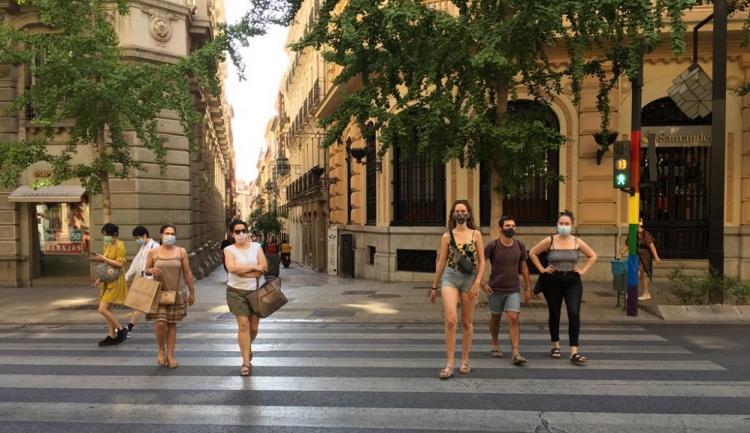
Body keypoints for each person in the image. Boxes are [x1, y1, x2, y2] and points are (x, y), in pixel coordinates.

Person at [529, 211, 597, 365]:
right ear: (557, 225)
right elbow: (532, 253)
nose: (564, 226)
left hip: (572, 281)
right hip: (552, 281)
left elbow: (593, 256)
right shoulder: (550, 240)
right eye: (561, 223)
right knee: (555, 313)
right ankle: (555, 345)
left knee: (574, 313)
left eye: (567, 224)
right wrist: (542, 269)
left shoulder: (577, 241)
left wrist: (583, 270)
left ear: (572, 225)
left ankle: (574, 351)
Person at [430, 199, 485, 379]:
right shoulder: (447, 237)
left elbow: (483, 261)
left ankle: (464, 361)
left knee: (467, 322)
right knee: (451, 320)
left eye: (463, 211)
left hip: (470, 280)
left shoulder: (476, 234)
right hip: (450, 277)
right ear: (453, 214)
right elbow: (441, 262)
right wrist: (434, 286)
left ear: (468, 214)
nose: (460, 214)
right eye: (457, 211)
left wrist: (478, 282)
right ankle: (449, 363)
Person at [481, 215, 532, 365]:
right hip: (495, 289)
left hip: (513, 289)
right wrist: (482, 283)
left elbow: (524, 267)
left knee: (514, 318)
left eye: (513, 226)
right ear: (501, 228)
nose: (511, 228)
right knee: (495, 318)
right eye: (508, 226)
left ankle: (515, 351)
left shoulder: (520, 246)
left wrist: (528, 288)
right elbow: (481, 263)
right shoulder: (493, 245)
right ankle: (495, 345)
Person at [145, 224, 196, 368]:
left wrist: (192, 291)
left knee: (172, 324)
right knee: (160, 323)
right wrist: (151, 270)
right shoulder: (153, 252)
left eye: (172, 233)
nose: (170, 236)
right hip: (159, 293)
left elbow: (187, 272)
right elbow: (146, 270)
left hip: (176, 293)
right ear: (161, 235)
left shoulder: (181, 252)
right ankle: (161, 350)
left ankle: (170, 355)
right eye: (167, 233)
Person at [223, 219, 267, 376]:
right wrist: (253, 267)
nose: (241, 234)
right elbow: (231, 268)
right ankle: (245, 362)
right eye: (237, 231)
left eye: (243, 230)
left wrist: (246, 270)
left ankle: (247, 347)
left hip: (255, 291)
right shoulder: (229, 250)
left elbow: (262, 268)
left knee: (253, 328)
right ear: (231, 234)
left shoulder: (256, 247)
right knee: (243, 325)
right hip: (236, 291)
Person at [90, 223, 128, 346]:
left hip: (116, 280)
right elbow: (107, 265)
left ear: (114, 234)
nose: (105, 237)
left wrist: (103, 258)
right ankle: (112, 335)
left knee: (102, 309)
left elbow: (119, 264)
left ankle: (121, 329)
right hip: (108, 279)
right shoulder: (109, 245)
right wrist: (99, 279)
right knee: (108, 309)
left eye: (107, 235)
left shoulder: (120, 245)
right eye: (104, 235)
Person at [124, 225, 159, 337]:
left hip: (151, 280)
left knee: (140, 305)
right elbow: (136, 262)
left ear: (144, 235)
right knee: (142, 305)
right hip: (143, 279)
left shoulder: (155, 246)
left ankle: (129, 328)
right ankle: (163, 324)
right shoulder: (143, 246)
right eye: (135, 239)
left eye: (137, 238)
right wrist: (127, 276)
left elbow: (158, 264)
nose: (136, 240)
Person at [617, 217, 662, 301]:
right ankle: (646, 293)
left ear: (641, 223)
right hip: (635, 256)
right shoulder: (632, 233)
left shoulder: (646, 234)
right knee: (641, 276)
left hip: (644, 257)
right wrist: (620, 253)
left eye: (638, 221)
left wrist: (656, 257)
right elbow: (628, 245)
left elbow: (651, 246)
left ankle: (631, 293)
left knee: (636, 273)